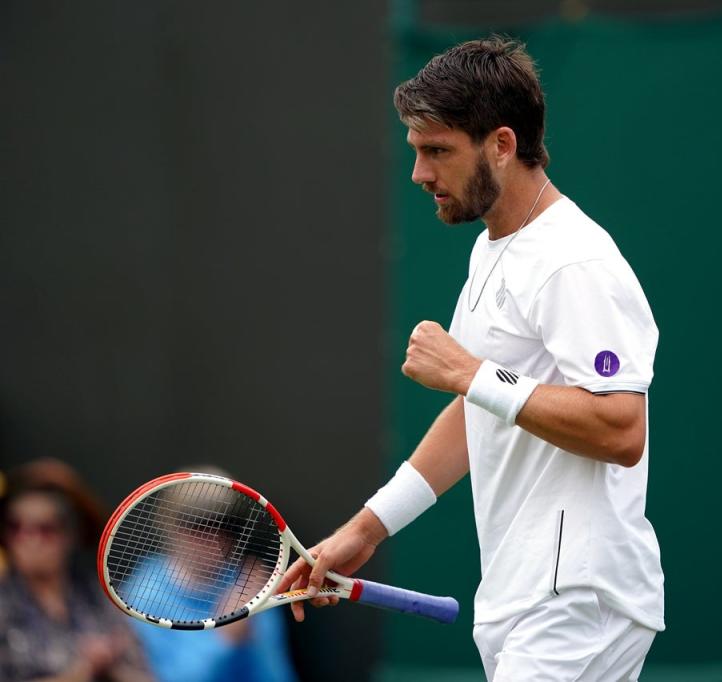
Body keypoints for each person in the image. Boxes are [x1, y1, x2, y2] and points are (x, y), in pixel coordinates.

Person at [279, 37, 664, 680]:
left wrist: (470, 371)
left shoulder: (575, 261)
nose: (420, 173)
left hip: (578, 596)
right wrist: (367, 530)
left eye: (437, 152)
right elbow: (478, 411)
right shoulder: (493, 248)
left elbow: (621, 428)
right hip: (523, 596)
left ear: (502, 146)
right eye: (415, 151)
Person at [128, 465, 300, 682]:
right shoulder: (142, 594)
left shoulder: (247, 582)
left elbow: (276, 674)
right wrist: (226, 639)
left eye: (227, 524)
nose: (215, 537)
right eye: (198, 524)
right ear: (172, 525)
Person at [0, 459, 153, 682]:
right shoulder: (4, 603)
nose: (29, 540)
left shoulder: (99, 598)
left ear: (70, 534)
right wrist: (81, 672)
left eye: (45, 529)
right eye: (16, 527)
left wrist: (110, 665)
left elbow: (146, 676)